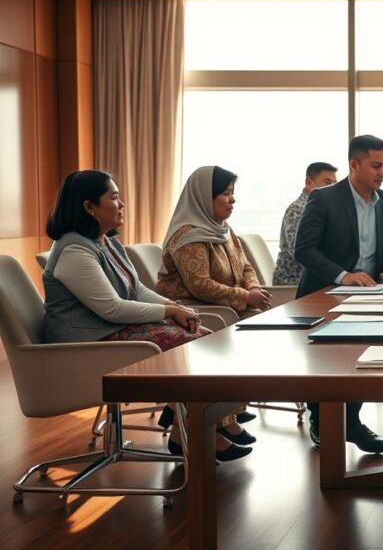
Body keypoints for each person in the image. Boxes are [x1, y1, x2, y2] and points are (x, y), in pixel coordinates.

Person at [41, 170, 250, 462]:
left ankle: (185, 431)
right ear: (89, 207)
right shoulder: (74, 249)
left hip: (108, 332)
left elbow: (136, 290)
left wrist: (176, 309)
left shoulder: (106, 242)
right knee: (189, 348)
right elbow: (112, 308)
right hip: (83, 346)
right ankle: (201, 432)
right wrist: (169, 310)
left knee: (204, 340)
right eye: (113, 197)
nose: (122, 203)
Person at [294, 134, 383, 454]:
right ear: (354, 164)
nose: (382, 172)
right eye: (376, 165)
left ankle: (351, 422)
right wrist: (344, 275)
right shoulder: (324, 198)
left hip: (368, 293)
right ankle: (324, 419)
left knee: (360, 358)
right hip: (324, 292)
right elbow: (303, 250)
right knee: (328, 362)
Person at [157, 166, 268, 444]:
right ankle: (209, 421)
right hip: (192, 308)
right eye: (225, 194)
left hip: (219, 305)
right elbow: (199, 285)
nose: (232, 200)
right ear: (203, 198)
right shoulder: (187, 235)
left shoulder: (223, 230)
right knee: (235, 326)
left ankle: (225, 417)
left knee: (252, 324)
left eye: (233, 193)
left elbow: (244, 266)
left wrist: (252, 286)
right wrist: (243, 297)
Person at [273, 161, 339, 285]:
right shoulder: (297, 210)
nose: (333, 188)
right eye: (328, 183)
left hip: (318, 276)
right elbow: (299, 253)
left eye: (335, 184)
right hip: (294, 281)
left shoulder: (325, 208)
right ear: (309, 182)